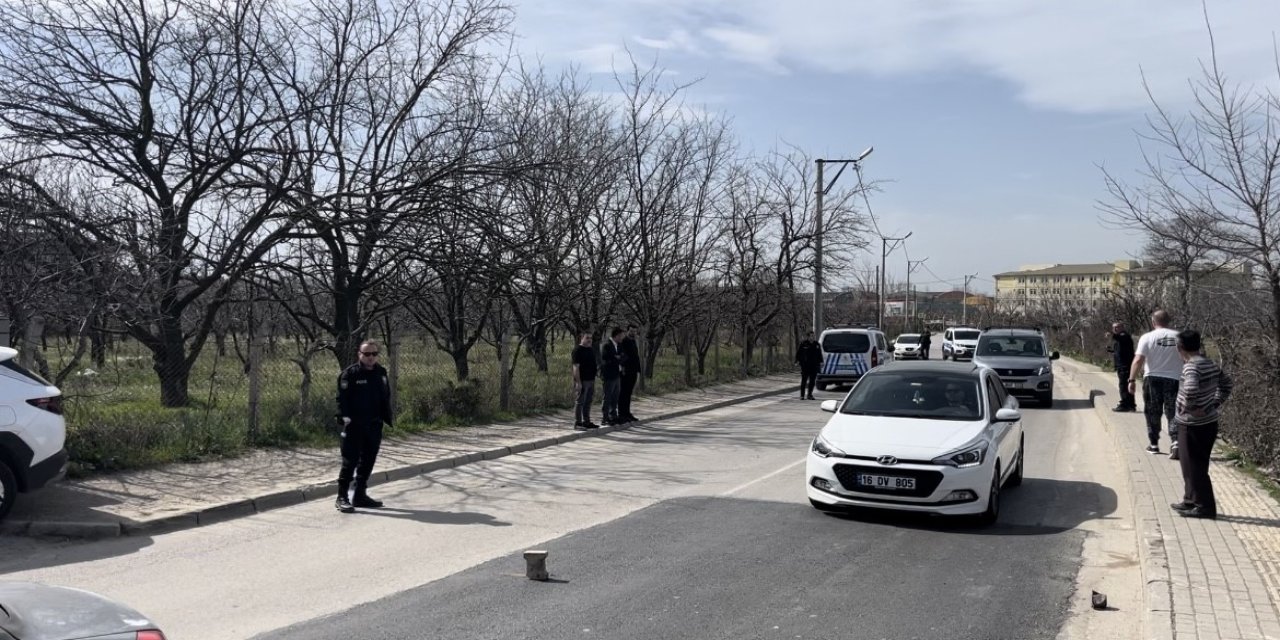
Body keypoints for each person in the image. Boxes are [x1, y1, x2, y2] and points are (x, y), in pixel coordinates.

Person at [1169, 329, 1232, 520]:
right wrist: (1213, 404)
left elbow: (1190, 390)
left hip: (1193, 425)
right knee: (1189, 465)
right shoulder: (1209, 363)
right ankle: (1190, 500)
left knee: (1196, 467)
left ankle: (1205, 507)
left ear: (1180, 348)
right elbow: (1227, 384)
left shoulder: (1191, 367)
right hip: (1207, 422)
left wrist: (1192, 408)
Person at [335, 340, 393, 513]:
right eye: (367, 354)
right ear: (359, 354)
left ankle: (360, 495)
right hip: (354, 425)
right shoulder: (350, 374)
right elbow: (341, 398)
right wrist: (344, 417)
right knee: (350, 462)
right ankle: (342, 497)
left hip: (374, 425)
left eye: (374, 354)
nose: (371, 358)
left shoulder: (381, 372)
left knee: (368, 461)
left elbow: (385, 396)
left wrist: (385, 417)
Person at [1129, 310, 1183, 458]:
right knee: (1173, 411)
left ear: (1153, 322)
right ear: (1169, 321)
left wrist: (1131, 380)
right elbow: (1187, 357)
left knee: (1153, 411)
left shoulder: (1147, 337)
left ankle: (1154, 444)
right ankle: (1176, 441)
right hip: (1174, 379)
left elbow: (1138, 360)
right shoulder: (1179, 337)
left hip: (1152, 379)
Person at [572, 332, 599, 430]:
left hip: (591, 379)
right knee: (580, 402)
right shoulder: (577, 350)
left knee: (588, 401)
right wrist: (578, 382)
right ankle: (578, 423)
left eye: (591, 338)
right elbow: (575, 367)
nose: (589, 340)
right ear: (581, 338)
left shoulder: (590, 349)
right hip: (582, 380)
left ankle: (586, 421)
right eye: (587, 338)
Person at [1107, 322, 1137, 412]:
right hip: (1122, 365)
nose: (1115, 329)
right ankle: (1131, 405)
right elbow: (1121, 351)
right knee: (1127, 386)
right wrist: (1111, 351)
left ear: (1122, 328)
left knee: (1123, 386)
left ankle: (1124, 404)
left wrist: (1111, 335)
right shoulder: (1119, 339)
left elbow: (1120, 338)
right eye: (1114, 328)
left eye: (1117, 327)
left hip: (1125, 366)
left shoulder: (1124, 335)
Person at [600, 327, 624, 425]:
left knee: (615, 397)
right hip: (609, 375)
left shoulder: (619, 345)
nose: (621, 338)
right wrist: (616, 358)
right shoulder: (607, 345)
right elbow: (606, 359)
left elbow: (624, 356)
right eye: (620, 336)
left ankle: (613, 415)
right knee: (608, 397)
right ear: (616, 335)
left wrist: (617, 358)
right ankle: (605, 418)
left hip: (617, 374)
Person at [618, 325, 641, 423]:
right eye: (631, 331)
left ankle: (627, 413)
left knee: (628, 393)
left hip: (633, 371)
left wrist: (638, 370)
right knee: (623, 393)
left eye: (635, 331)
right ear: (627, 331)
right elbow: (622, 356)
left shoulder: (633, 341)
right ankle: (622, 413)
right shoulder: (624, 342)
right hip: (626, 371)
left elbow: (636, 357)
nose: (633, 333)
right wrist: (624, 367)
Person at [795, 331, 822, 399]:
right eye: (811, 336)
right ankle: (802, 395)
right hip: (805, 365)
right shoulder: (804, 344)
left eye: (813, 336)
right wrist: (797, 361)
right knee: (804, 381)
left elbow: (819, 354)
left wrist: (821, 362)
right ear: (808, 337)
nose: (812, 337)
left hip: (814, 365)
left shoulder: (817, 344)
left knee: (812, 381)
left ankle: (809, 394)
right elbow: (799, 353)